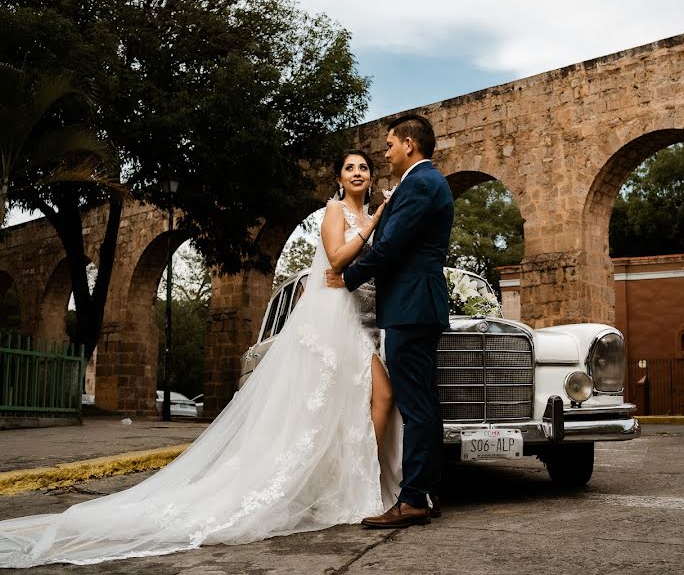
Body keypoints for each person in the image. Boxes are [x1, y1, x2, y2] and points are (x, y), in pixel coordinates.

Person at [0, 150, 402, 568]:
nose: (358, 173)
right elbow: (337, 259)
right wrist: (373, 223)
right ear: (339, 178)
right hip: (332, 321)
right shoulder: (334, 211)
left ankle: (345, 482)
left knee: (343, 408)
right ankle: (357, 483)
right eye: (350, 168)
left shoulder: (373, 214)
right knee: (355, 402)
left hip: (361, 321)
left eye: (364, 168)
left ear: (372, 179)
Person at [326, 114, 454, 528]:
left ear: (408, 145)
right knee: (424, 404)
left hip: (411, 308)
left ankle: (413, 499)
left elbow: (392, 247)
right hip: (416, 306)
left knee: (416, 407)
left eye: (388, 144)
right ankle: (424, 491)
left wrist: (348, 278)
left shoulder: (420, 184)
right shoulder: (426, 183)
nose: (385, 152)